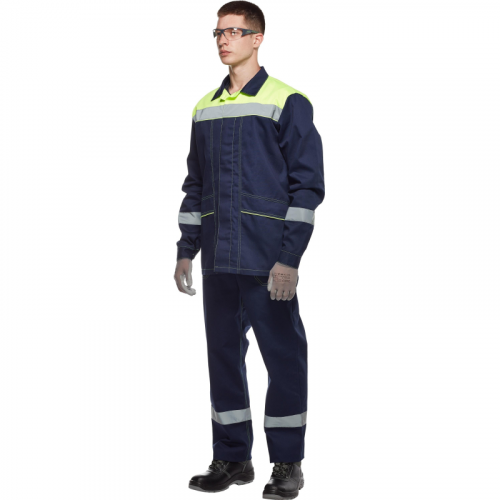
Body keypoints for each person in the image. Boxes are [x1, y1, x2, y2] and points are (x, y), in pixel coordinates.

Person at [173, 2, 325, 498]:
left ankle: (287, 464)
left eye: (234, 32)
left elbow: (307, 187)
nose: (224, 40)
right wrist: (186, 250)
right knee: (222, 359)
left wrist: (290, 259)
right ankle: (233, 457)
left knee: (283, 359)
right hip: (219, 259)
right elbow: (195, 185)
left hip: (267, 260)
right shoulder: (204, 107)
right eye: (218, 32)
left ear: (257, 38)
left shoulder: (287, 101)